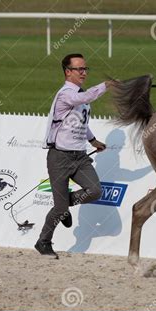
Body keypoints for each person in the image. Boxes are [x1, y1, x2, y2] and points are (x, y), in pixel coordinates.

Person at [35, 53, 113, 259]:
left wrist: (93, 141)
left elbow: (80, 123)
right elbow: (84, 98)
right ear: (68, 72)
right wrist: (104, 85)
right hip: (59, 158)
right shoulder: (66, 94)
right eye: (80, 69)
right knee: (59, 208)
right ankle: (43, 242)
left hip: (80, 157)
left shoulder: (81, 94)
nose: (84, 73)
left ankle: (64, 204)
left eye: (86, 69)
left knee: (95, 191)